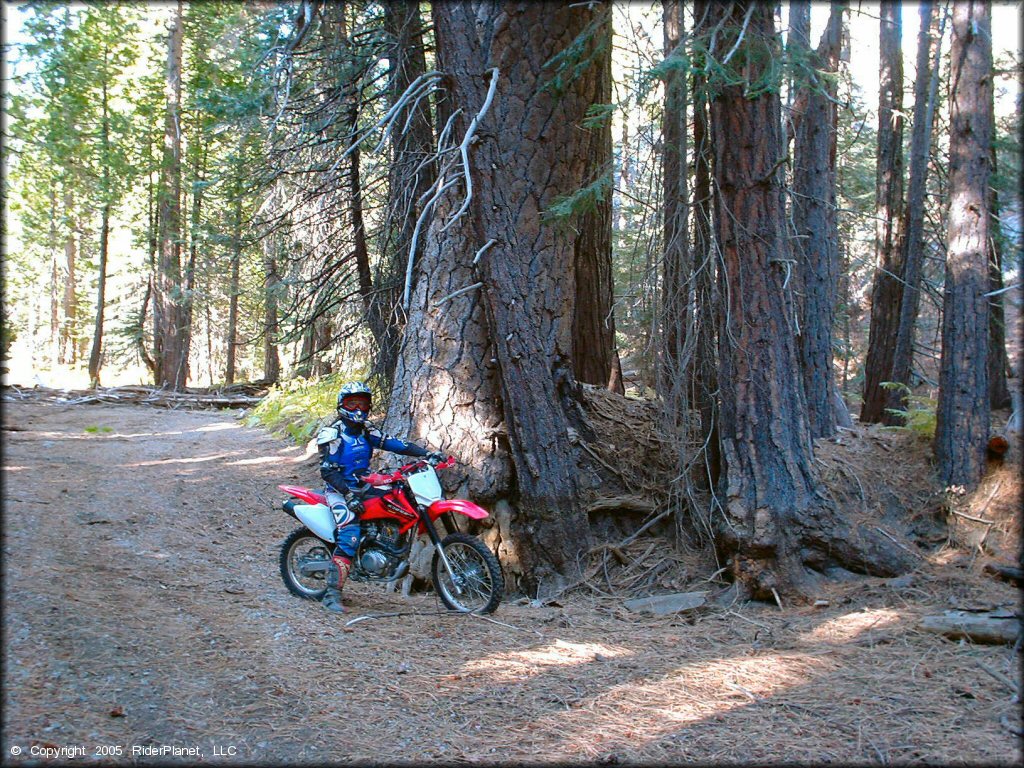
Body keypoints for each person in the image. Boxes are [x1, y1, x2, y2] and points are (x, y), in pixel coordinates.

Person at [316, 381, 442, 614]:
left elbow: (396, 444)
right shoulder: (332, 434)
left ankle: (385, 550)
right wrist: (347, 494)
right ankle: (332, 594)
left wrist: (427, 454)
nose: (358, 409)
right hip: (339, 491)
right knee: (349, 535)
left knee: (399, 501)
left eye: (362, 403)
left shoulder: (366, 431)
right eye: (352, 403)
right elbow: (328, 471)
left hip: (365, 484)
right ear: (341, 405)